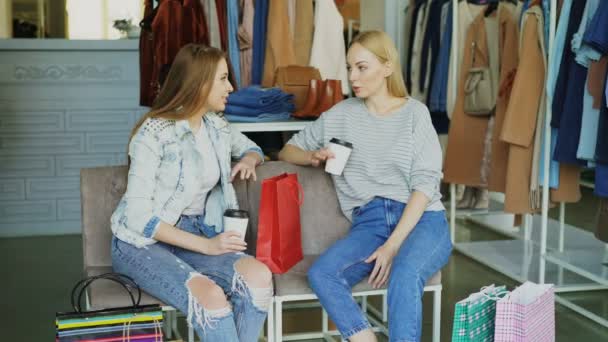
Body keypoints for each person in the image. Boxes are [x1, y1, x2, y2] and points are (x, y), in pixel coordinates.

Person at [278, 30, 452, 342]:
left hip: (423, 220)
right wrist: (312, 156)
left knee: (405, 273)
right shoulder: (340, 115)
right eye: (348, 68)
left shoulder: (415, 114)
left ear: (387, 67)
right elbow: (286, 150)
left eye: (361, 67)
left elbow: (425, 187)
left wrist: (392, 245)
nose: (352, 77)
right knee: (322, 274)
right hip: (370, 222)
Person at [110, 44, 272, 342]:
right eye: (223, 79)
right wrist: (207, 246)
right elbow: (137, 218)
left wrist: (249, 158)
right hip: (140, 243)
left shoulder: (216, 127)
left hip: (194, 232)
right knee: (211, 297)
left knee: (259, 278)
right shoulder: (153, 133)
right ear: (201, 82)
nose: (231, 87)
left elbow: (253, 148)